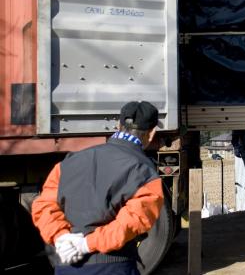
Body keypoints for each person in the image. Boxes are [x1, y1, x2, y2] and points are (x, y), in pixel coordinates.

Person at [31, 101, 164, 274]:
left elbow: (43, 206)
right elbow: (134, 220)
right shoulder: (144, 171)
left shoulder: (68, 163)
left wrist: (61, 236)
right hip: (114, 266)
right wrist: (87, 244)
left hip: (67, 266)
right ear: (152, 133)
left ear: (118, 126)